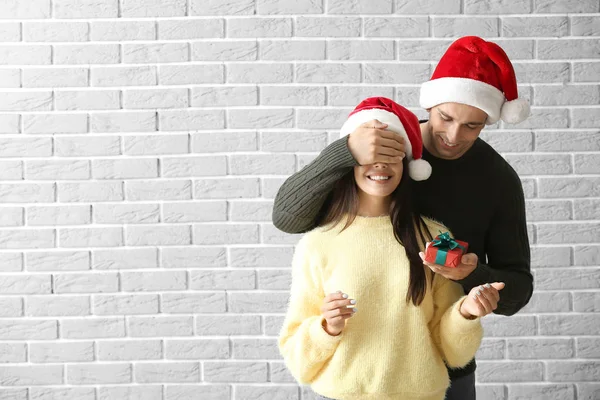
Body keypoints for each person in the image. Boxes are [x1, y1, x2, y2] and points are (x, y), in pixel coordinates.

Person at [273, 36, 534, 400]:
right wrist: (344, 152)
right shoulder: (384, 148)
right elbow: (287, 218)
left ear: (488, 121)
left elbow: (518, 290)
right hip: (354, 374)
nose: (453, 136)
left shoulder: (497, 181)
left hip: (442, 366)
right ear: (431, 104)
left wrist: (471, 275)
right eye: (445, 117)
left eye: (473, 126)